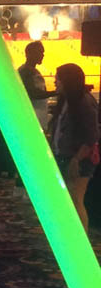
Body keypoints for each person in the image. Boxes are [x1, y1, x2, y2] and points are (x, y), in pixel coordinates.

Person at [50, 63, 99, 229]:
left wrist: (77, 158)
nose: (55, 82)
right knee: (68, 200)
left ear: (67, 81)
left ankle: (80, 244)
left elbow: (91, 136)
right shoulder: (66, 100)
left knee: (75, 199)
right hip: (65, 156)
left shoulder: (84, 102)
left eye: (58, 79)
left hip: (80, 158)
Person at [17, 41, 54, 129]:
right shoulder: (25, 71)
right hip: (31, 120)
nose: (42, 55)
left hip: (36, 119)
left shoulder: (30, 70)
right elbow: (34, 94)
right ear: (30, 53)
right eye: (40, 52)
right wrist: (58, 92)